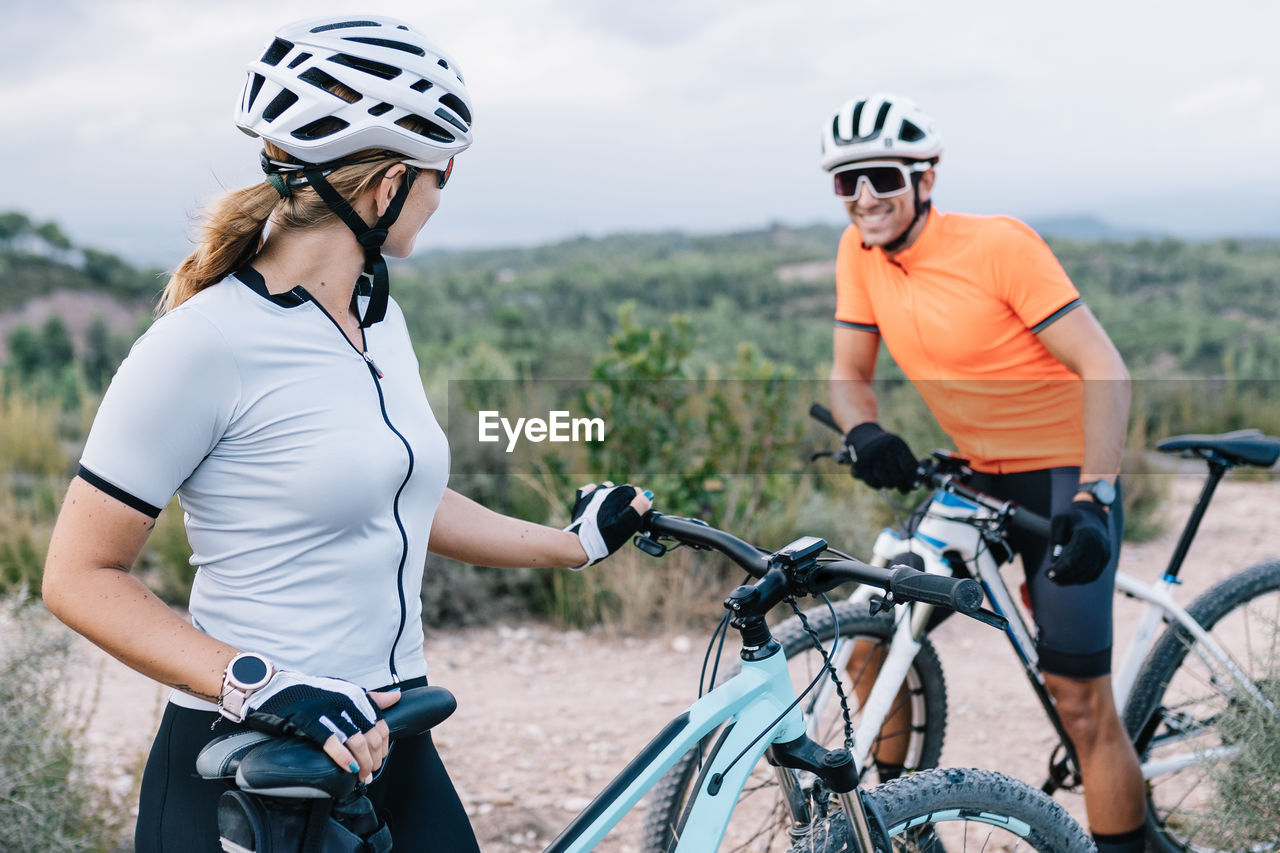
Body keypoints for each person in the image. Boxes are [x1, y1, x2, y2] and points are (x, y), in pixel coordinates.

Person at [40, 16, 650, 852]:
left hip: (387, 741)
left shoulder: (376, 319)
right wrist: (259, 683)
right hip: (250, 767)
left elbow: (400, 496)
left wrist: (572, 544)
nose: (439, 199)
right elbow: (78, 576)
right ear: (387, 184)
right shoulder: (201, 344)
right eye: (441, 177)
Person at [821, 93, 1142, 853]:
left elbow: (1105, 368)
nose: (864, 198)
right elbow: (847, 373)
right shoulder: (857, 252)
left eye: (882, 178)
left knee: (1081, 700)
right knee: (874, 640)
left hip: (1067, 472)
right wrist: (864, 429)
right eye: (847, 182)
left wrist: (1096, 495)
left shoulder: (999, 246)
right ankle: (893, 827)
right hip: (974, 473)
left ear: (925, 179)